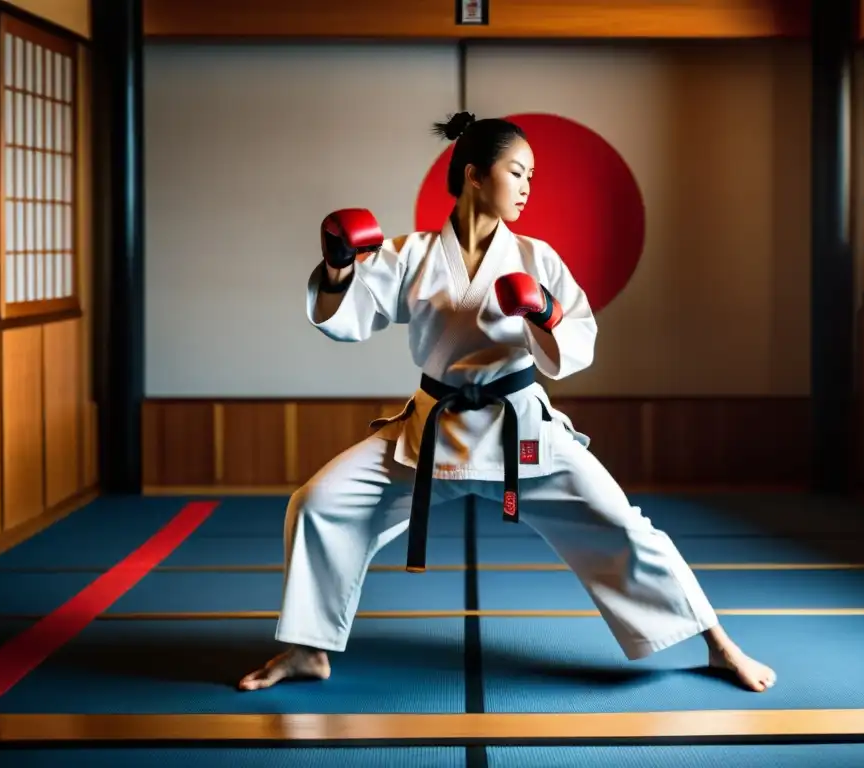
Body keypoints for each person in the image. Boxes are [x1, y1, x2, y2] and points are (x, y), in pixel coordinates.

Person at [238, 111, 776, 693]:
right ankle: (306, 649)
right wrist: (340, 267)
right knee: (319, 502)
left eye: (532, 177)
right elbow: (348, 317)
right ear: (474, 174)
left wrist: (543, 313)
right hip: (432, 431)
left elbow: (577, 344)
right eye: (517, 172)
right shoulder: (410, 254)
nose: (526, 187)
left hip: (521, 432)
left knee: (625, 527)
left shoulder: (536, 258)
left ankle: (718, 643)